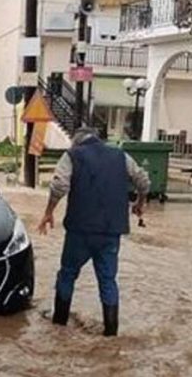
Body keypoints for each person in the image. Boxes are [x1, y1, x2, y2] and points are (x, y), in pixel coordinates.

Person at [38, 126, 150, 337]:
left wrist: (48, 212)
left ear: (76, 141)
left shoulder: (72, 155)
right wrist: (140, 203)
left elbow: (59, 186)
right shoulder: (120, 155)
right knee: (108, 281)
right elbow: (143, 181)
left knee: (68, 274)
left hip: (80, 230)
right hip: (111, 232)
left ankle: (59, 326)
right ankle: (111, 334)